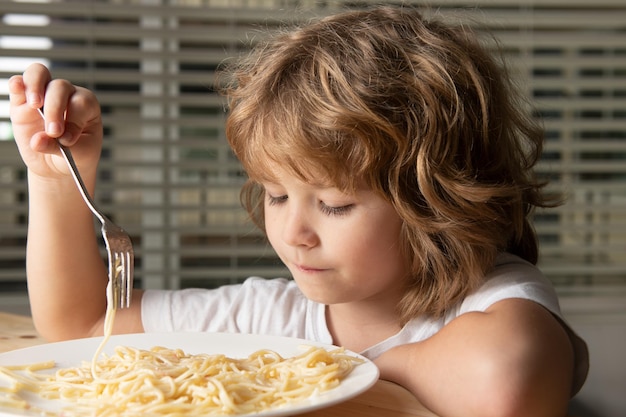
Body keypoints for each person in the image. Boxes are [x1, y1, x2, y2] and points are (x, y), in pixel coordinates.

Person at [9, 5, 587, 417]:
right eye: (277, 195)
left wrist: (354, 368)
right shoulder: (269, 318)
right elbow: (82, 325)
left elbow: (508, 384)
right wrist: (58, 179)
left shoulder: (491, 298)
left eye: (334, 205)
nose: (292, 233)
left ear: (439, 203)